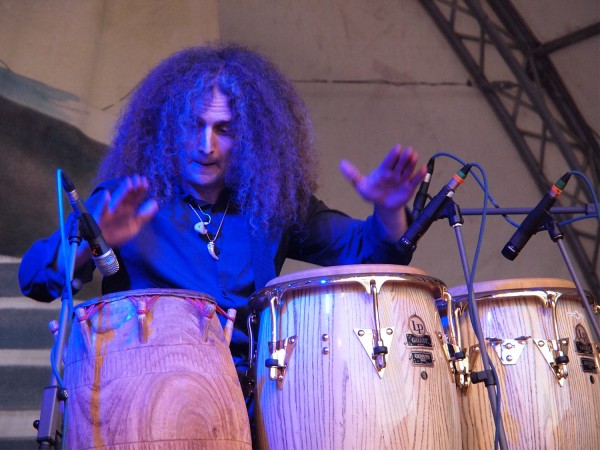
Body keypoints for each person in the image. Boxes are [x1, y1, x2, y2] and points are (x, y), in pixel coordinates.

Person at [18, 42, 425, 432]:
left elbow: (367, 252)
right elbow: (34, 276)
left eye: (224, 129)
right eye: (194, 125)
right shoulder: (128, 200)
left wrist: (389, 209)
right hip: (143, 408)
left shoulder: (272, 203)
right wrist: (96, 241)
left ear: (250, 138)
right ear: (168, 128)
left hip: (251, 410)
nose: (205, 145)